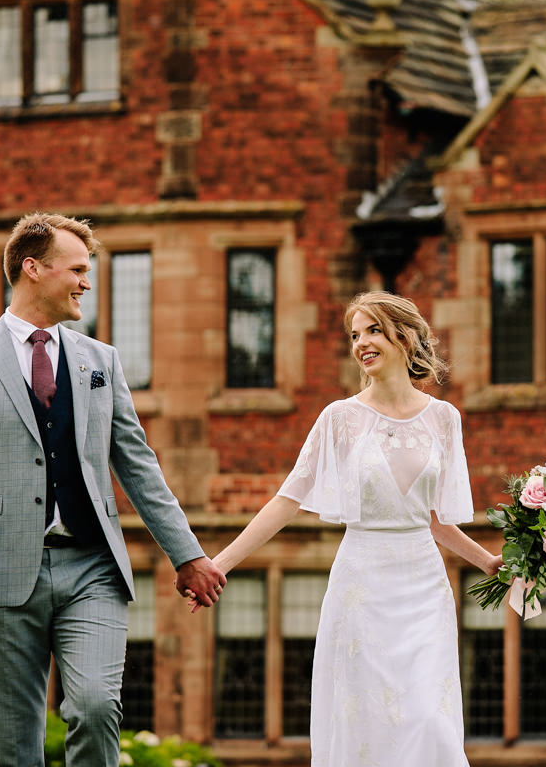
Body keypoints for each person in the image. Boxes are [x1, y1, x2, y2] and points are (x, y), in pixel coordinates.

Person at [0, 212, 226, 766]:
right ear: (33, 269)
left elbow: (138, 466)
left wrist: (189, 555)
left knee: (94, 706)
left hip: (93, 568)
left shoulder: (100, 361)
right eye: (78, 269)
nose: (87, 282)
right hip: (0, 574)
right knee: (15, 748)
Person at [194, 291, 502, 766]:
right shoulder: (340, 418)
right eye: (355, 334)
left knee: (428, 719)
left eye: (374, 330)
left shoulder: (444, 418)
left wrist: (488, 562)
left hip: (423, 586)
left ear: (406, 336)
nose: (362, 343)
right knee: (365, 722)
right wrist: (217, 564)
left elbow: (434, 519)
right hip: (362, 583)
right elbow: (286, 501)